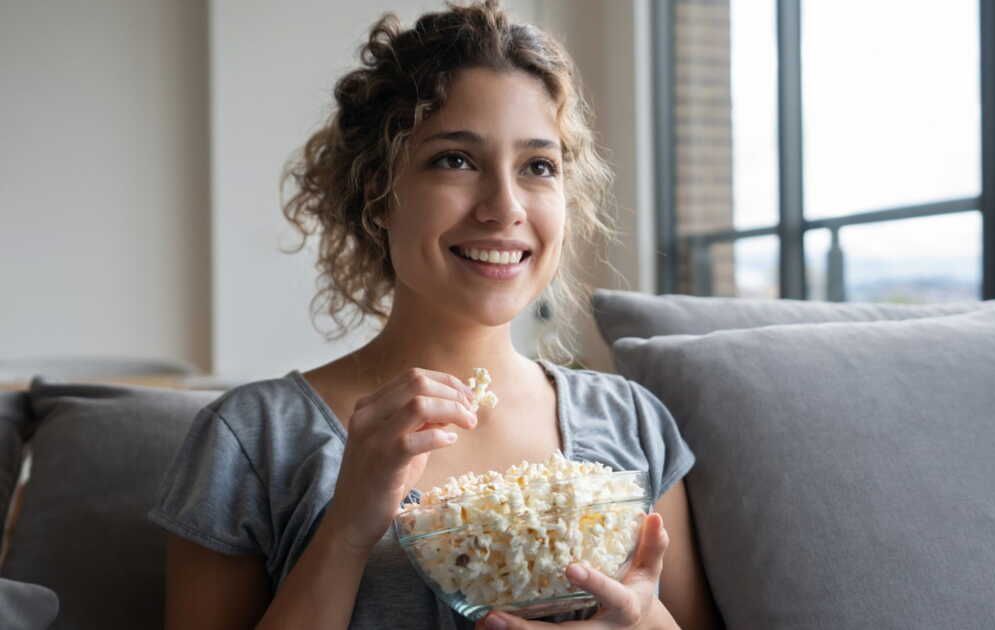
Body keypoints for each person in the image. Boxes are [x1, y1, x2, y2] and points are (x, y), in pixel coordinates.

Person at [148, 2, 722, 628]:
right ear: (378, 193)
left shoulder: (631, 424)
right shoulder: (255, 439)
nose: (504, 207)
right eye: (455, 159)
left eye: (538, 166)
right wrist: (346, 529)